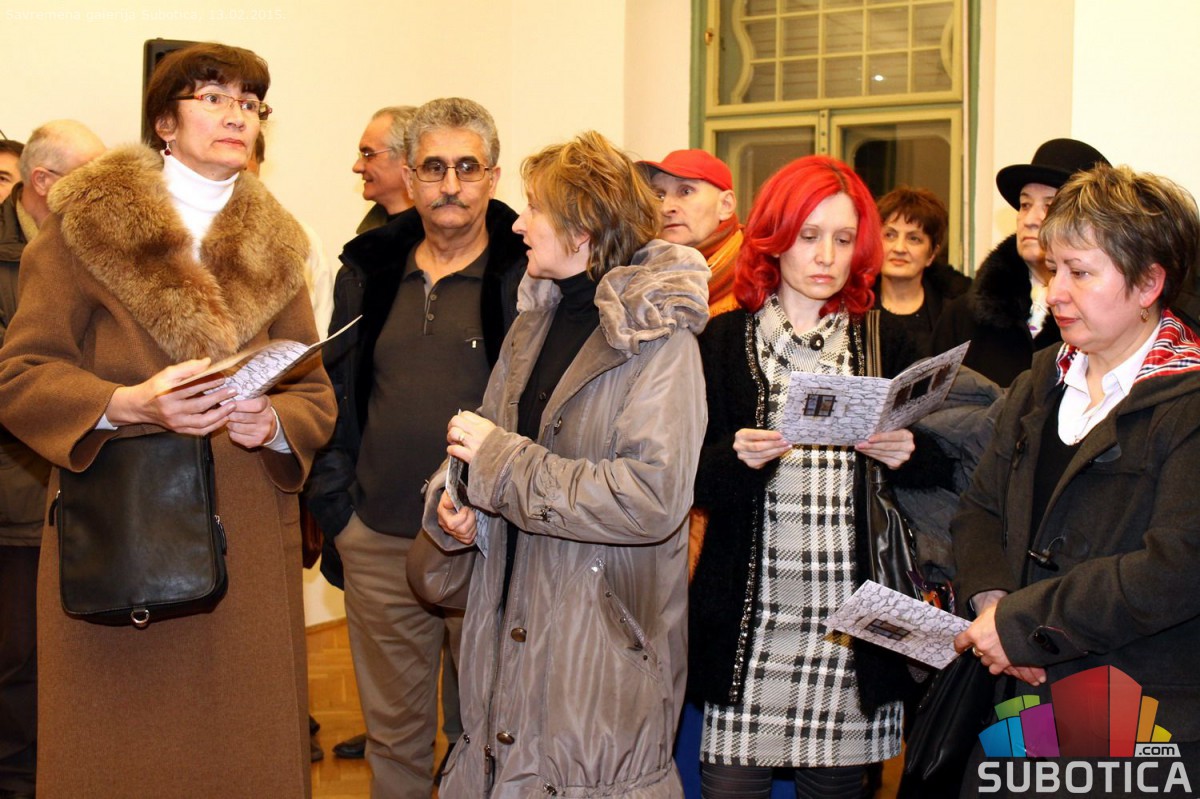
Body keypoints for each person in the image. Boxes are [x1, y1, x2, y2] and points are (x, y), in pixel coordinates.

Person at [0, 43, 336, 797]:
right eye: (212, 98)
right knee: (123, 761)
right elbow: (19, 376)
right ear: (164, 122)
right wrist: (127, 403)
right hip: (124, 531)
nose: (235, 115)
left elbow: (314, 393)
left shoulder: (279, 243)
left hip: (247, 538)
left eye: (249, 103)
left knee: (244, 756)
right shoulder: (83, 228)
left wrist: (272, 421)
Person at [424, 130, 708, 796]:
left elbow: (651, 496)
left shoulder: (661, 343)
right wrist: (457, 499)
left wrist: (500, 466)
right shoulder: (534, 322)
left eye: (534, 208)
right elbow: (484, 445)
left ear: (582, 230)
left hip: (596, 656)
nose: (517, 223)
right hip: (506, 633)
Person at [304, 96, 526, 798]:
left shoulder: (528, 276)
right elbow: (334, 390)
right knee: (392, 742)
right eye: (434, 168)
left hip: (487, 540)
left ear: (492, 177)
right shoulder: (368, 271)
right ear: (410, 175)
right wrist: (339, 511)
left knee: (484, 730)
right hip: (377, 539)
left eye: (467, 167)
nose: (450, 185)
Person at [952, 165, 1200, 790]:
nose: (1056, 292)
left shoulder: (1188, 400)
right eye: (1053, 268)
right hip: (1022, 701)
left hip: (1141, 716)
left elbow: (1176, 567)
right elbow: (980, 509)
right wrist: (993, 607)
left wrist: (1023, 626)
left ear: (1148, 283)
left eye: (1080, 272)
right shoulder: (1040, 381)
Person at [688, 156, 924, 799]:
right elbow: (686, 478)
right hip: (751, 619)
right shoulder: (721, 339)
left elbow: (939, 471)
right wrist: (735, 457)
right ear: (774, 237)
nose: (826, 256)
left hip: (849, 626)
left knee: (838, 786)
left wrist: (907, 452)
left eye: (843, 239)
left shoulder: (885, 341)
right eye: (809, 235)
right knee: (729, 784)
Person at [0, 120, 104, 799]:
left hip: (82, 483)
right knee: (18, 661)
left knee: (70, 656)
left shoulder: (91, 248)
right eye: (91, 179)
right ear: (45, 182)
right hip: (15, 494)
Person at [932, 138, 1109, 387]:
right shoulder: (963, 316)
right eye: (1025, 205)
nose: (1030, 219)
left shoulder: (1107, 324)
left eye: (1050, 206)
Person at [640, 149, 741, 316]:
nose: (666, 208)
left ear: (725, 205)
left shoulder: (761, 276)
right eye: (659, 196)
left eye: (686, 191)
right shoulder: (636, 274)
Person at [874, 186, 971, 359]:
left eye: (914, 239)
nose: (899, 248)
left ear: (932, 254)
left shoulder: (955, 314)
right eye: (890, 235)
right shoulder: (850, 309)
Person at [355, 105, 417, 234]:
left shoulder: (444, 235)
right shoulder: (367, 239)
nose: (357, 167)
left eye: (368, 154)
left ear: (408, 157)